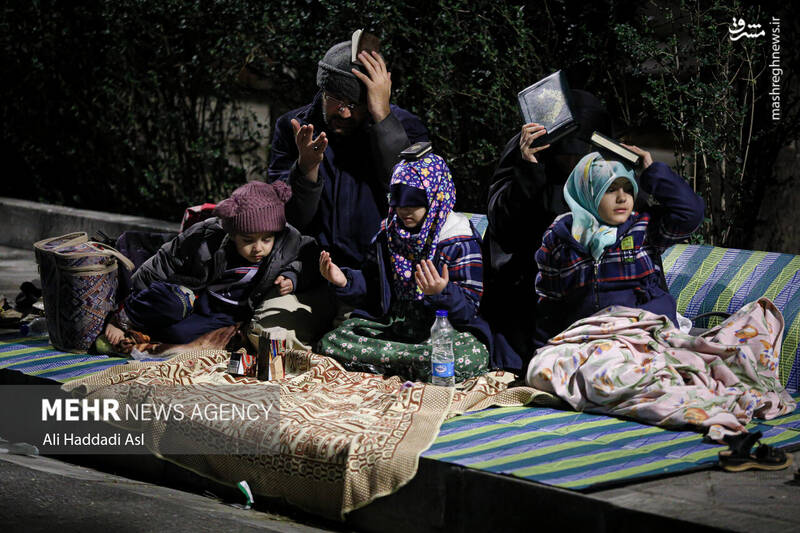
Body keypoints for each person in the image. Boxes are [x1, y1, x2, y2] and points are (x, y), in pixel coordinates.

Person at [316, 154, 492, 382]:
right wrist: (344, 281)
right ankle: (409, 363)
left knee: (468, 356)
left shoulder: (459, 240)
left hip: (442, 330)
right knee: (332, 341)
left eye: (414, 203)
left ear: (436, 197)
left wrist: (442, 292)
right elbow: (373, 288)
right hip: (396, 326)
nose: (404, 211)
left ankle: (398, 362)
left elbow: (470, 311)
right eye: (398, 202)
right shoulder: (388, 234)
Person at [268, 39, 429, 272]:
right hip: (307, 272)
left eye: (356, 104)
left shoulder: (408, 129)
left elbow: (413, 200)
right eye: (336, 100)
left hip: (378, 276)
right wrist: (306, 171)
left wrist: (383, 120)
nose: (344, 112)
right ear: (322, 90)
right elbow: (284, 218)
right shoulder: (293, 128)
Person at [482, 90, 614, 372]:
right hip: (524, 292)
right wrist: (530, 170)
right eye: (565, 151)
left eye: (580, 152)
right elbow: (504, 228)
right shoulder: (524, 154)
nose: (572, 161)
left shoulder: (602, 167)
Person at [102, 181, 316, 349]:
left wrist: (292, 276)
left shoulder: (287, 241)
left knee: (178, 335)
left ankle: (145, 331)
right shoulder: (209, 235)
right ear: (233, 234)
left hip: (224, 314)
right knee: (172, 302)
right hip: (192, 294)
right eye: (247, 240)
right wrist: (133, 293)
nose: (258, 248)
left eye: (266, 240)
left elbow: (309, 258)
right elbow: (165, 260)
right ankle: (123, 318)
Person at [532, 146, 704, 344]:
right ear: (587, 193)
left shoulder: (644, 229)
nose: (622, 197)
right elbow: (549, 305)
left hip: (644, 333)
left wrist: (653, 171)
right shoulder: (560, 239)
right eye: (610, 189)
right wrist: (544, 349)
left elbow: (691, 214)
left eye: (628, 189)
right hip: (591, 338)